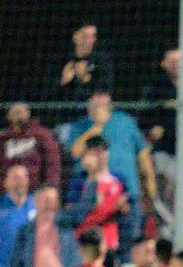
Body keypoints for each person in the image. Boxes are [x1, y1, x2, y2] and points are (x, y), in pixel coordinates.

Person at [67, 92, 158, 245]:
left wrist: (149, 181)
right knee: (91, 242)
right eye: (95, 104)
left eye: (103, 103)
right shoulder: (80, 126)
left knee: (128, 242)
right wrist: (97, 126)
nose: (100, 107)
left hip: (126, 192)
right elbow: (75, 152)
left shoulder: (125, 121)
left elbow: (142, 152)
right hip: (91, 194)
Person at [62, 135, 126, 260]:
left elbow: (125, 209)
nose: (99, 156)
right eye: (94, 152)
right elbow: (71, 211)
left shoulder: (118, 178)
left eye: (102, 151)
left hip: (109, 241)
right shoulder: (79, 180)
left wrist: (120, 208)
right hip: (83, 241)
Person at [0, 103, 62, 195]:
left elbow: (53, 162)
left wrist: (51, 185)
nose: (18, 114)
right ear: (8, 116)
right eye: (15, 112)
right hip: (9, 190)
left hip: (35, 189)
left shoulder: (41, 134)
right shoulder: (4, 138)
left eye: (20, 111)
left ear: (28, 113)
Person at [58, 23, 114, 102]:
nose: (91, 41)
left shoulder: (102, 60)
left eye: (93, 36)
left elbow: (104, 93)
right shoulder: (63, 60)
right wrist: (63, 82)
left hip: (92, 109)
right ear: (75, 37)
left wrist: (83, 79)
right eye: (86, 36)